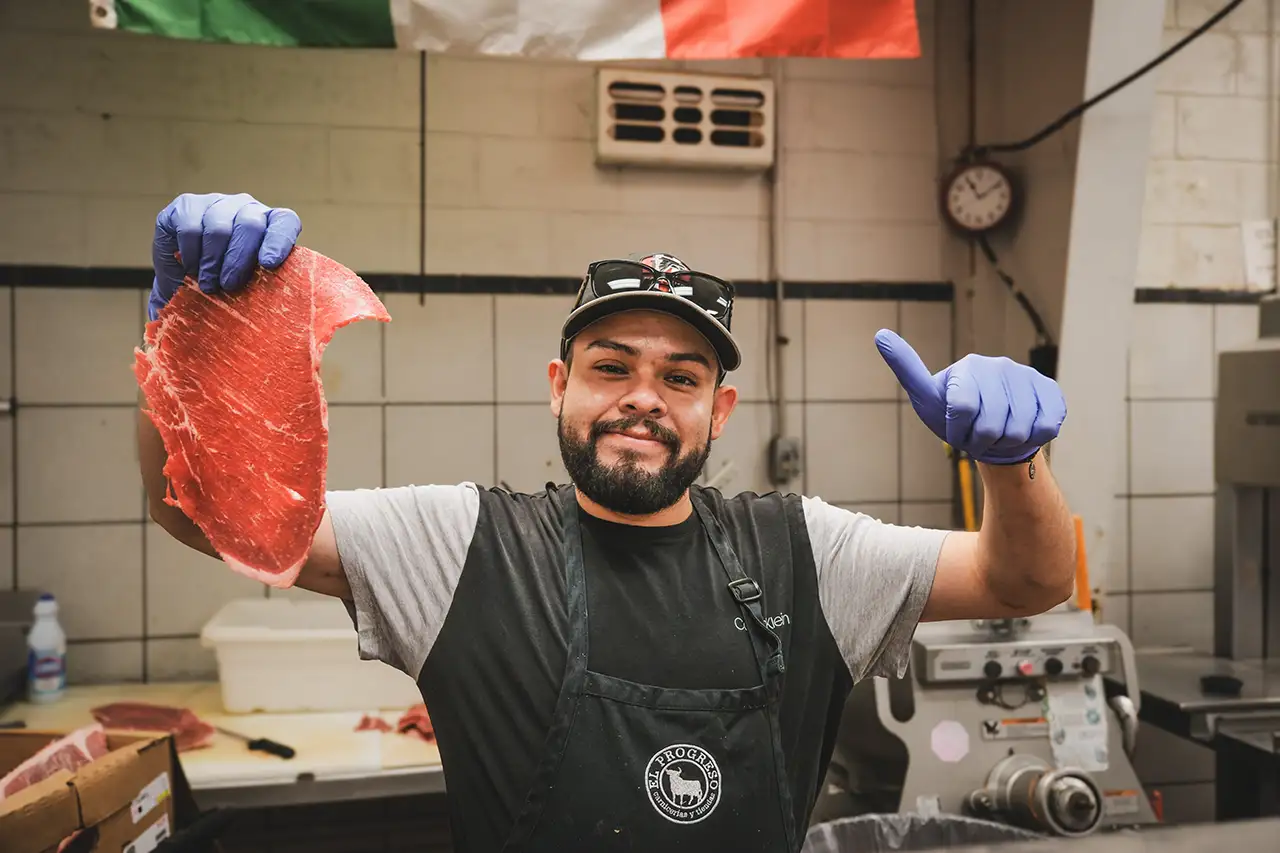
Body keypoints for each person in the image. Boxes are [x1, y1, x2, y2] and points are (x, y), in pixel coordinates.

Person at [138, 193, 1076, 853]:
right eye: (610, 367)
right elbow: (203, 512)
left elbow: (1024, 581)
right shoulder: (461, 545)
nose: (642, 400)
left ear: (722, 408)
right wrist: (190, 336)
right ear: (559, 389)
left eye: (680, 378)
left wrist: (1012, 464)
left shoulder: (810, 552)